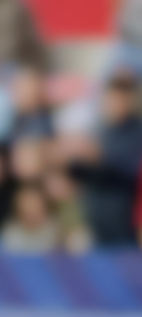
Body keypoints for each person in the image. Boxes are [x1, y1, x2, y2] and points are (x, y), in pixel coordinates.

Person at [64, 71, 142, 249]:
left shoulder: (137, 133)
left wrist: (98, 158)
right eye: (112, 97)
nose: (115, 103)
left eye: (122, 98)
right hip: (95, 227)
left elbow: (130, 173)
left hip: (124, 228)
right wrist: (69, 159)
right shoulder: (97, 130)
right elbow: (80, 173)